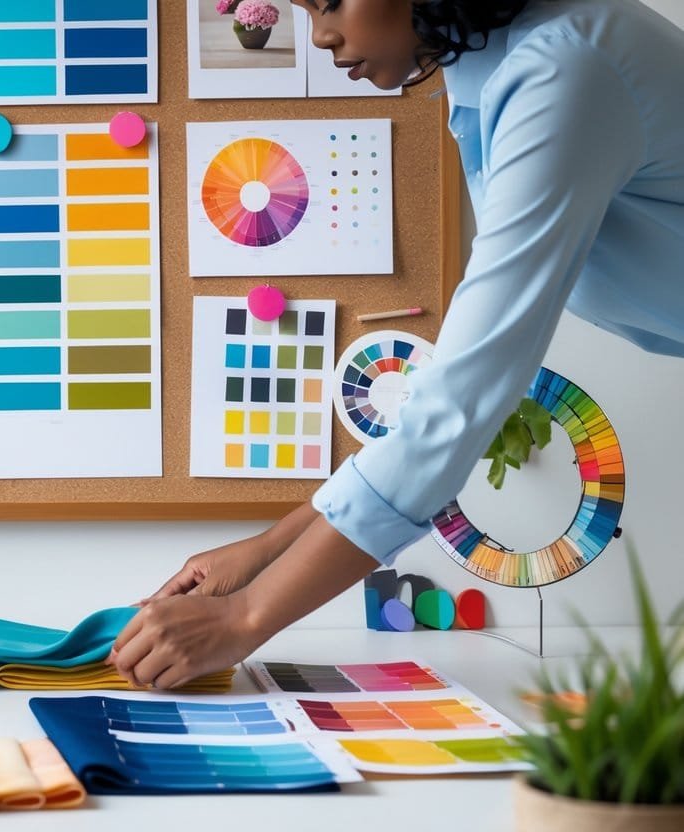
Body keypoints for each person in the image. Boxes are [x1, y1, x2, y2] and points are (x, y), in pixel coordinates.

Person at [110, 0, 684, 690]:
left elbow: (463, 397)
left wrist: (246, 618)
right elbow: (461, 391)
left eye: (329, 3)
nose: (320, 35)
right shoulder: (499, 73)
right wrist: (267, 550)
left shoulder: (562, 72)